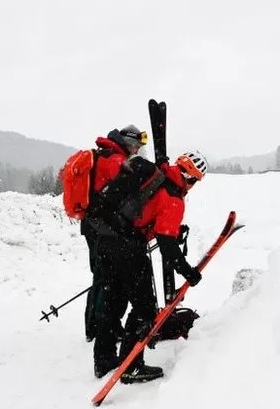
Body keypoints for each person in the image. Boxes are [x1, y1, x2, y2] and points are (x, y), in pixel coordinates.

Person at [90, 151, 206, 383]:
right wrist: (189, 272)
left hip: (105, 238)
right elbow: (167, 246)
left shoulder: (157, 174)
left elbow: (148, 214)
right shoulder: (174, 198)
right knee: (144, 309)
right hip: (128, 249)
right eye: (195, 181)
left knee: (114, 300)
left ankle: (103, 360)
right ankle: (132, 367)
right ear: (190, 178)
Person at [81, 126, 148, 342]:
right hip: (101, 226)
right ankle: (101, 328)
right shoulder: (115, 160)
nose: (137, 151)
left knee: (101, 276)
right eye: (136, 146)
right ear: (128, 142)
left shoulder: (104, 154)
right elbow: (120, 193)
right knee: (106, 279)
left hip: (93, 224)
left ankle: (96, 326)